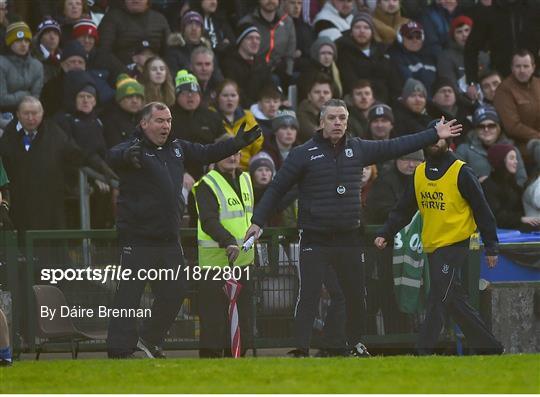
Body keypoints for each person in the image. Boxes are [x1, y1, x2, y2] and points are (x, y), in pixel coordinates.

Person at [244, 98, 463, 357]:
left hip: (348, 236)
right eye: (332, 118)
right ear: (321, 121)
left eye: (342, 118)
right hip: (314, 237)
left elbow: (396, 146)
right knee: (309, 294)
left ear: (348, 121)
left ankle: (354, 344)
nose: (338, 123)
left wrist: (432, 135)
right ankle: (301, 347)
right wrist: (257, 221)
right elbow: (277, 187)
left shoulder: (358, 149)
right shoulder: (303, 153)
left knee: (356, 295)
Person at [106, 101, 261, 359]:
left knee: (176, 291)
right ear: (144, 123)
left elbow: (208, 152)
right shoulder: (133, 149)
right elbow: (112, 154)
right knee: (129, 294)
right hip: (138, 237)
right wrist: (126, 156)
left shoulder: (177, 148)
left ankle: (149, 339)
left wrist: (237, 143)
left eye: (168, 121)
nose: (166, 125)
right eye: (159, 121)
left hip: (168, 238)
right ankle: (119, 350)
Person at [374, 126, 504, 355]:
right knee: (453, 299)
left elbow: (482, 209)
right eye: (433, 137)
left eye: (441, 138)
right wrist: (386, 232)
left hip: (456, 243)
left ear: (450, 142)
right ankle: (490, 347)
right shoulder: (420, 173)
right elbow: (403, 209)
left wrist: (491, 246)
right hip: (433, 245)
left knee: (438, 297)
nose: (436, 142)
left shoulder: (461, 172)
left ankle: (422, 351)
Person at [0, 96, 116, 240]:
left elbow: (77, 154)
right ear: (18, 114)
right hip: (20, 205)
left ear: (42, 113)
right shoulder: (8, 137)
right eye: (26, 113)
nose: (31, 118)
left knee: (51, 251)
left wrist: (100, 165)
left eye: (35, 113)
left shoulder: (54, 133)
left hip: (50, 205)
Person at [193, 150, 254, 358]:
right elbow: (209, 221)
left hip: (244, 262)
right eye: (227, 153)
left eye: (237, 153)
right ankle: (210, 360)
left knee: (242, 318)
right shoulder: (206, 184)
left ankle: (236, 359)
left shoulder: (246, 178)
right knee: (213, 319)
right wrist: (228, 241)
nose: (233, 157)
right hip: (214, 264)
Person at [336, 12, 400, 105]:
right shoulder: (344, 52)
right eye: (357, 27)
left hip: (386, 103)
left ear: (372, 32)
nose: (362, 31)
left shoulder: (383, 52)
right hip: (358, 102)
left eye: (366, 27)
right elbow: (350, 81)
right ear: (351, 32)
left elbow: (394, 82)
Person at [456, 105, 527, 186]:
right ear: (475, 129)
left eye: (491, 126)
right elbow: (458, 178)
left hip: (508, 196)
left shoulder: (511, 149)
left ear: (498, 128)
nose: (486, 129)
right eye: (481, 126)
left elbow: (521, 178)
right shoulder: (464, 150)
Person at [493, 50, 540, 166]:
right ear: (512, 68)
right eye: (518, 66)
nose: (522, 70)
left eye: (526, 66)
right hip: (521, 145)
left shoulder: (538, 84)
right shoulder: (504, 90)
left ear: (533, 67)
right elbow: (512, 127)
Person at [481, 143, 540, 231]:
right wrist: (521, 218)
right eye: (512, 158)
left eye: (516, 158)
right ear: (500, 160)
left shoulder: (512, 183)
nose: (516, 161)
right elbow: (495, 216)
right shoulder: (488, 185)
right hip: (503, 232)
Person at [98, 0, 170, 66]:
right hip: (122, 73)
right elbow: (104, 52)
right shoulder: (112, 18)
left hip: (156, 72)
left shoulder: (160, 19)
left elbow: (170, 52)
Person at [0, 22, 44, 129]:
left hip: (29, 114)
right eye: (18, 41)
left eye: (26, 41)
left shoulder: (37, 66)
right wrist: (24, 95)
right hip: (3, 113)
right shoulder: (1, 64)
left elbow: (36, 98)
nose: (23, 44)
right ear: (9, 43)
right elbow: (2, 98)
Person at [213, 79, 263, 170]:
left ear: (238, 97)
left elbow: (258, 144)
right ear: (217, 98)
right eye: (225, 95)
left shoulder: (248, 116)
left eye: (233, 95)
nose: (229, 99)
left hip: (248, 169)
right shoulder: (210, 116)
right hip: (221, 168)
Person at [220, 23, 274, 108]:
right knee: (247, 122)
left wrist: (281, 99)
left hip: (262, 109)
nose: (255, 42)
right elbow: (235, 91)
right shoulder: (229, 63)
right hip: (240, 112)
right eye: (250, 38)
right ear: (240, 41)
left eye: (258, 39)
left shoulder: (261, 62)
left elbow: (270, 85)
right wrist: (255, 107)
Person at [388, 21, 437, 98]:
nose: (415, 40)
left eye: (418, 37)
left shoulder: (431, 57)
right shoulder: (396, 58)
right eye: (410, 37)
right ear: (401, 38)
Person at [101, 73, 145, 148]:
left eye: (138, 97)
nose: (134, 101)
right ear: (120, 100)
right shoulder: (110, 121)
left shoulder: (146, 118)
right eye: (129, 97)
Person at [297, 73, 333, 143]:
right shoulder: (301, 115)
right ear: (309, 96)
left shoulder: (335, 113)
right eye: (317, 92)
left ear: (331, 96)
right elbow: (317, 136)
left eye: (326, 92)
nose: (322, 95)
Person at [32, 17, 62, 84]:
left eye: (56, 34)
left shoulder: (64, 59)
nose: (52, 37)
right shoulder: (32, 58)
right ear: (40, 37)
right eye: (48, 33)